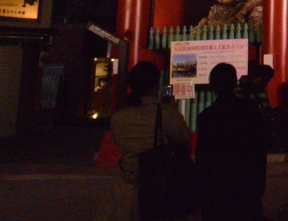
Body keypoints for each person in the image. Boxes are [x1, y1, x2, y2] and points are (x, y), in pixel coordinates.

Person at [95, 61, 191, 221]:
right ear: (155, 87)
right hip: (157, 184)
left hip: (126, 185)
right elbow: (184, 139)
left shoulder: (118, 117)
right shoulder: (164, 114)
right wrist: (174, 111)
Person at [196, 62, 268, 221]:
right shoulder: (250, 110)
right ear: (234, 83)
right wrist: (259, 185)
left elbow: (203, 159)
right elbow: (259, 150)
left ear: (212, 85)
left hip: (216, 188)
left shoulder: (207, 117)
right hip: (246, 185)